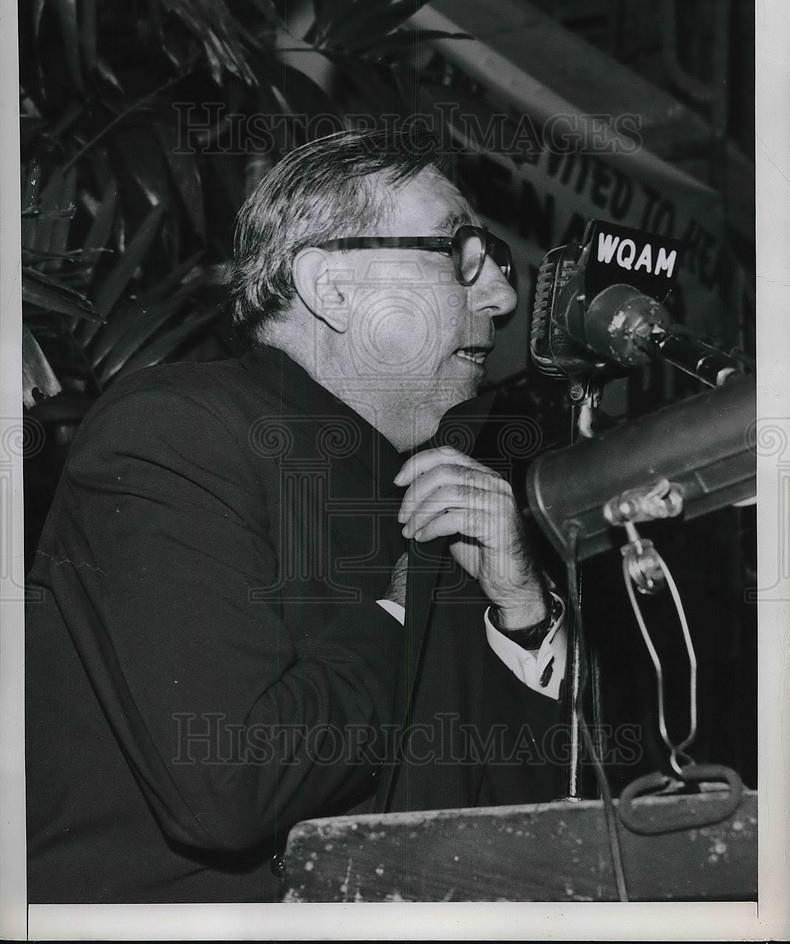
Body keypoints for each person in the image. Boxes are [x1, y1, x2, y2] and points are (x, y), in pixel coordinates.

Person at [26, 128, 567, 904]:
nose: (503, 298)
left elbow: (536, 836)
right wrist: (402, 603)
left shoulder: (448, 499)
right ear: (332, 288)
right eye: (461, 255)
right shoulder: (175, 436)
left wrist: (523, 615)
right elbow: (229, 787)